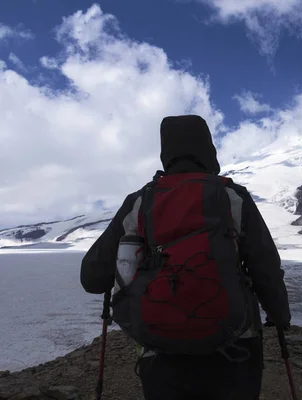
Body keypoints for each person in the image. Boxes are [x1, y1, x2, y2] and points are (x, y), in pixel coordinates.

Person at [80, 115, 291, 400]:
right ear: (209, 150)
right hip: (235, 345)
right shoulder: (233, 197)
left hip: (159, 348)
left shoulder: (140, 201)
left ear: (166, 154)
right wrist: (279, 315)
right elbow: (264, 266)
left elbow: (93, 278)